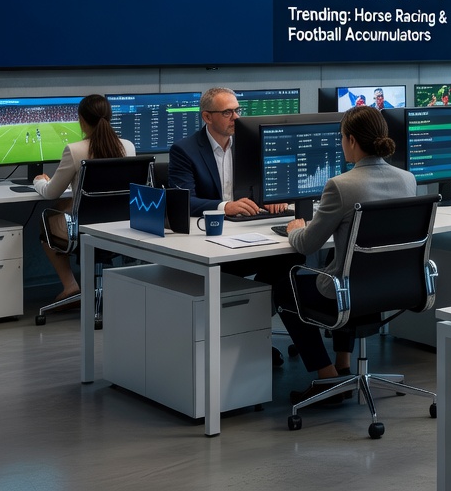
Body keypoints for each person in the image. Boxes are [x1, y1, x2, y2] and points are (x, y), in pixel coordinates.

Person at [284, 106, 417, 403]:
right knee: (345, 270)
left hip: (351, 292)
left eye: (342, 137)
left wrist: (294, 228)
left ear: (352, 141)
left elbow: (307, 245)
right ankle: (343, 363)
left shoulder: (341, 186)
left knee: (284, 285)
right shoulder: (407, 179)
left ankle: (327, 376)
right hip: (391, 288)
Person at [32, 94, 136, 304]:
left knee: (46, 222)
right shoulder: (128, 146)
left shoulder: (75, 150)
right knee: (63, 207)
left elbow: (51, 192)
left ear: (81, 120)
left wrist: (38, 181)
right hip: (120, 226)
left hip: (85, 228)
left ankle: (70, 285)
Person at [169, 87, 286, 216]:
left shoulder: (250, 143)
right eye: (227, 112)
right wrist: (225, 207)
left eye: (237, 110)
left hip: (247, 223)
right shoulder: (184, 151)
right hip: (208, 226)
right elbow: (184, 201)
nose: (236, 117)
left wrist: (274, 198)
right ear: (207, 117)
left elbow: (267, 186)